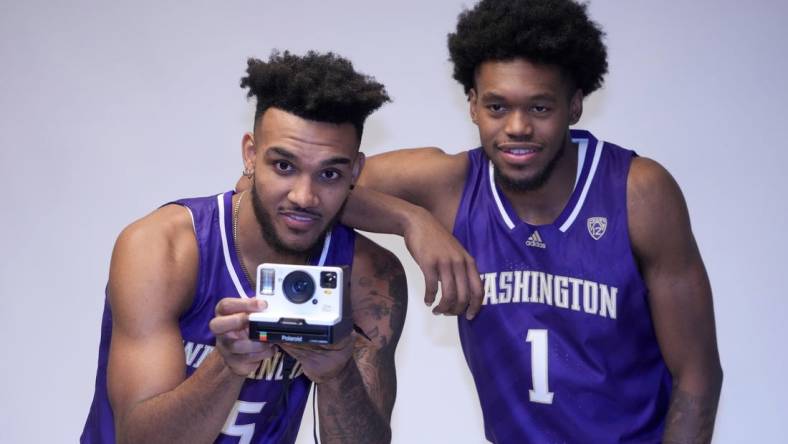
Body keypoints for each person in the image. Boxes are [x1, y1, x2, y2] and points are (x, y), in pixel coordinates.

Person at [353, 0, 723, 442]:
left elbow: (697, 375)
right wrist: (411, 221)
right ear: (472, 105)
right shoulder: (451, 185)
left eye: (540, 109)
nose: (517, 127)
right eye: (497, 107)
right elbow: (308, 190)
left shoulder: (637, 192)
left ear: (575, 105)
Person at [81, 50, 409, 444]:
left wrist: (339, 375)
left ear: (354, 172)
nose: (304, 196)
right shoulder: (163, 248)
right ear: (251, 155)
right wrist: (227, 365)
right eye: (284, 166)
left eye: (329, 173)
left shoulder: (368, 276)